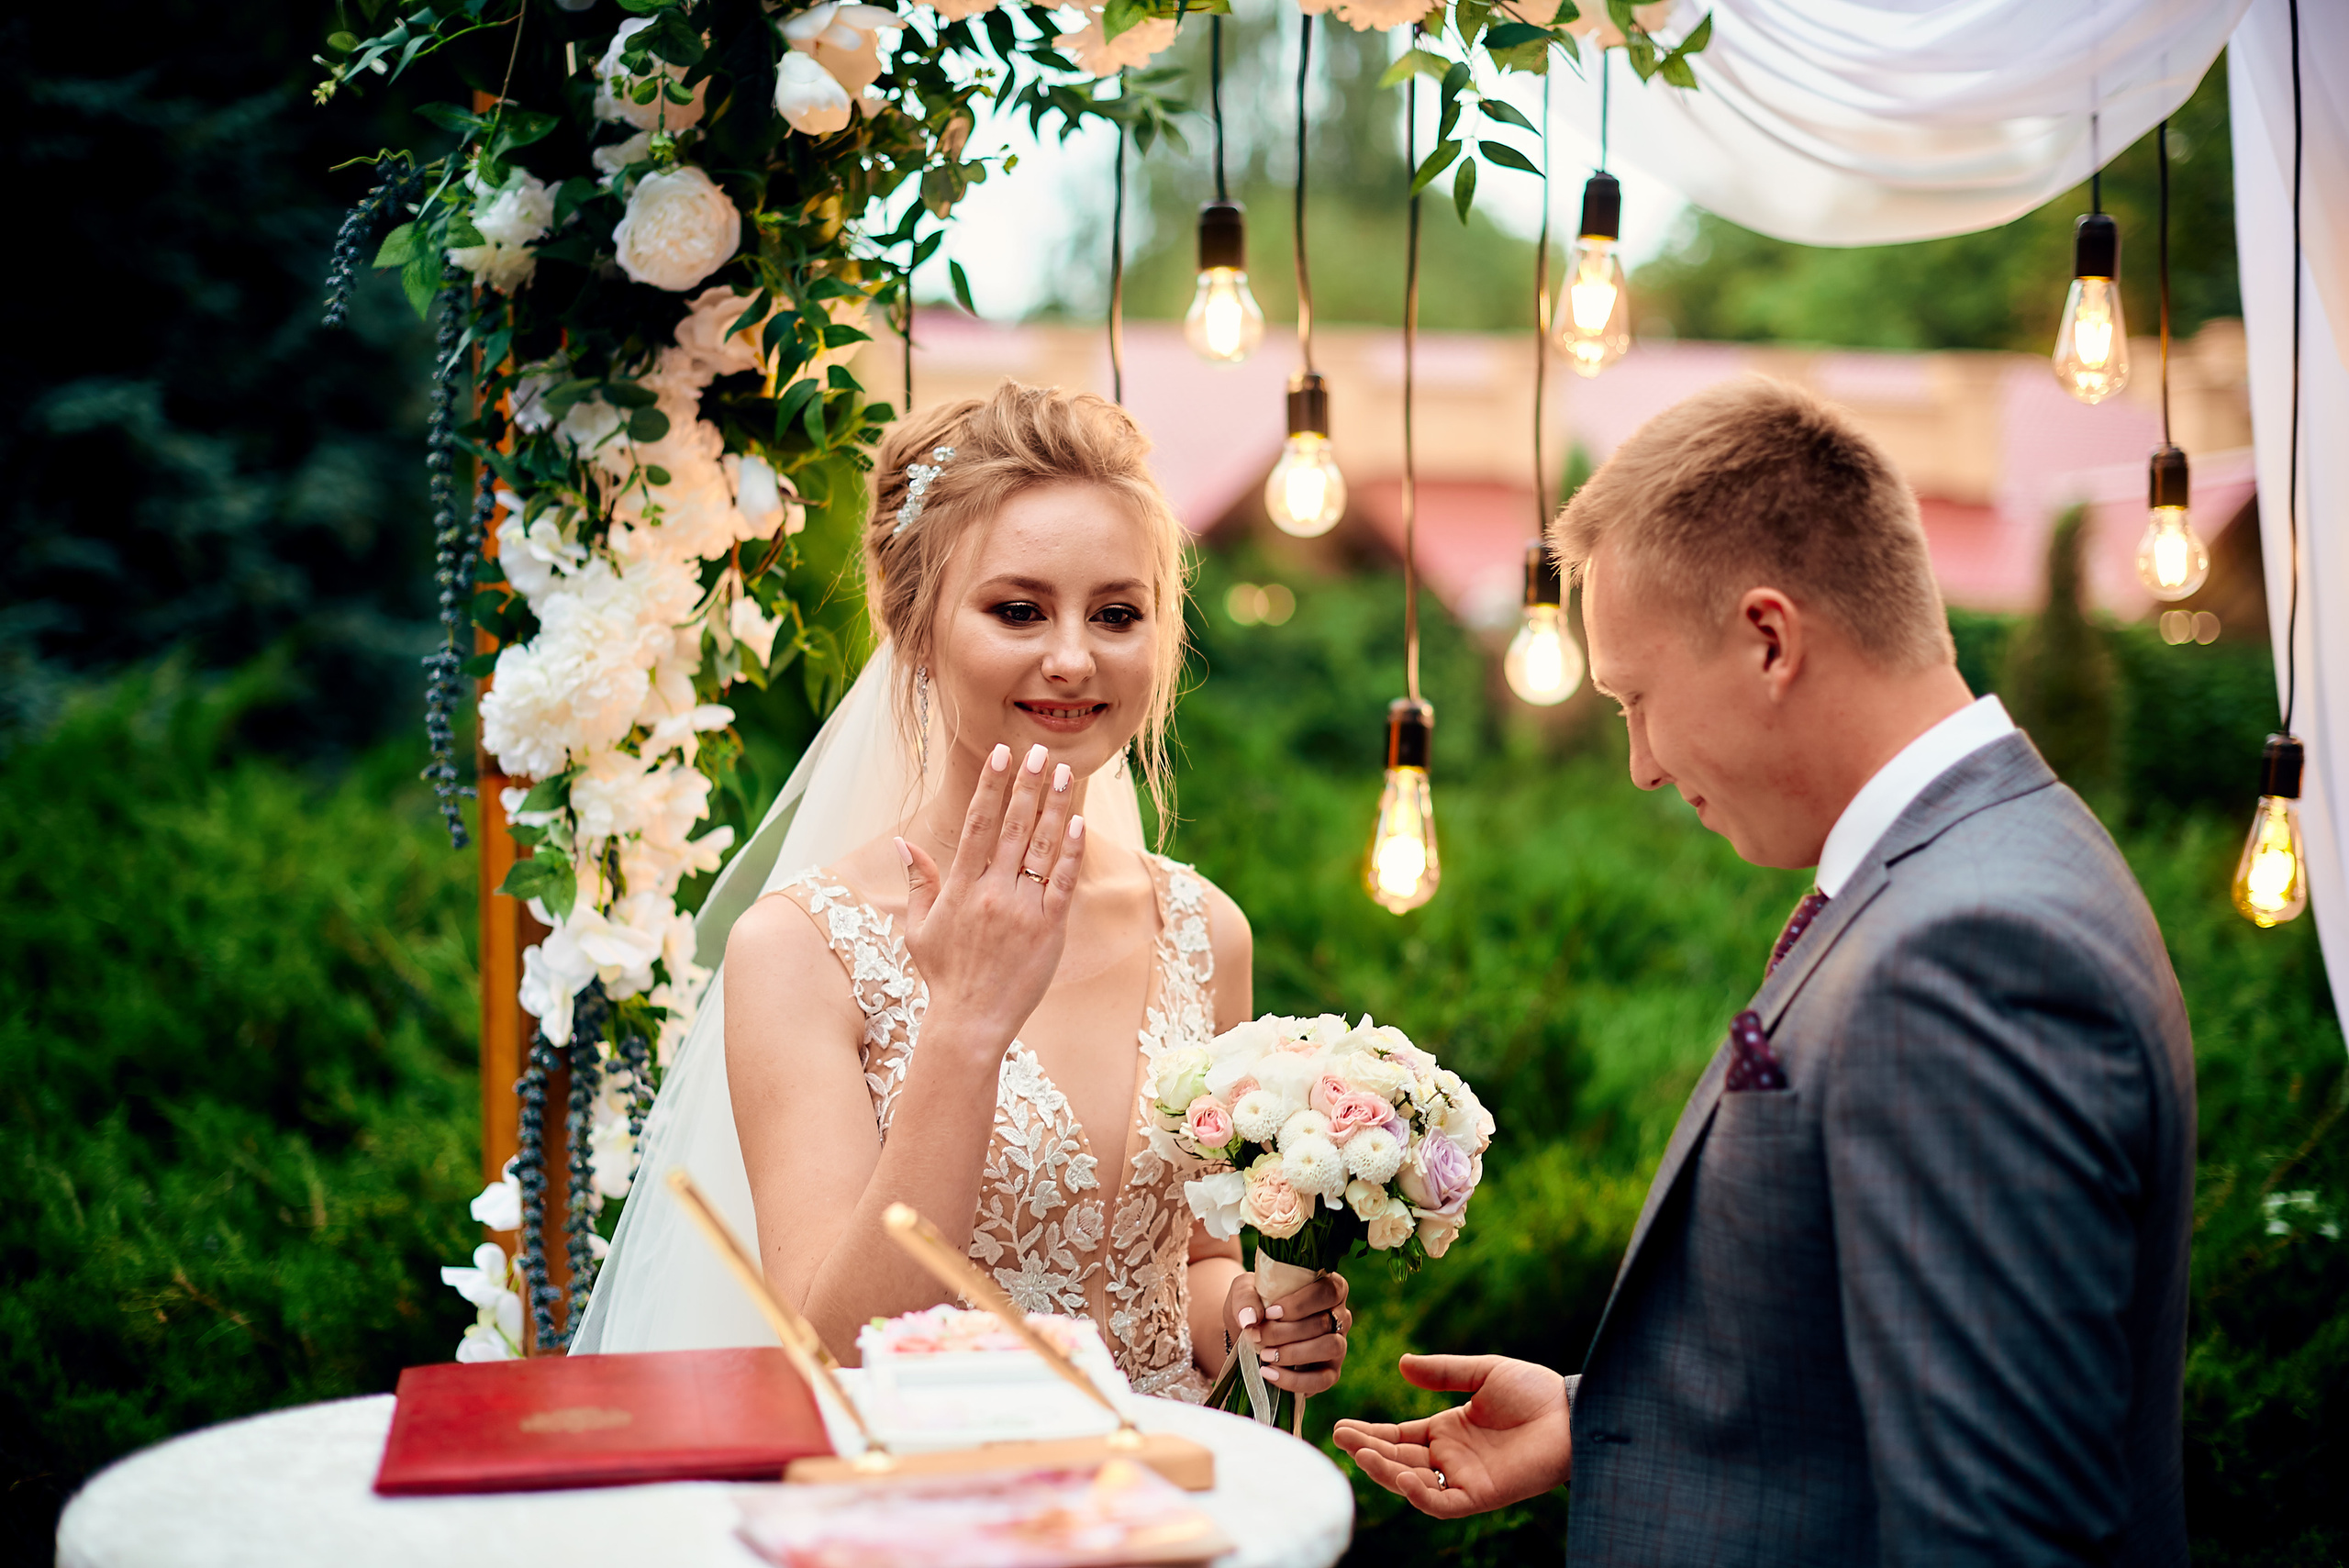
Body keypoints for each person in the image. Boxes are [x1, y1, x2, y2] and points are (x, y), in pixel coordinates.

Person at [1335, 377, 2196, 1565]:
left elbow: (1996, 1532)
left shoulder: (1971, 952)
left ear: (1769, 639)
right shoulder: (1966, 865)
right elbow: (1868, 1370)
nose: (1638, 764)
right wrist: (1607, 1418)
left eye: (1637, 699)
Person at [573, 381, 1350, 1405]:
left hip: (1167, 1501)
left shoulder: (1205, 931)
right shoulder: (800, 951)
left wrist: (1253, 1313)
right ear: (916, 625)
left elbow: (1189, 1266)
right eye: (1018, 608)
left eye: (1117, 613)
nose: (1072, 657)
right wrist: (968, 1022)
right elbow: (833, 1348)